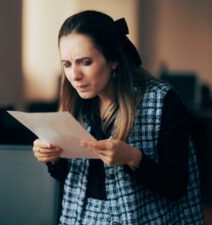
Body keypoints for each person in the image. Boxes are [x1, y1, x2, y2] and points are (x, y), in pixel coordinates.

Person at [32, 10, 204, 225]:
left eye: (85, 62)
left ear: (113, 59)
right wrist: (53, 157)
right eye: (67, 64)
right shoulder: (75, 104)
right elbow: (71, 178)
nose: (74, 75)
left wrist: (133, 158)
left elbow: (176, 187)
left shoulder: (162, 100)